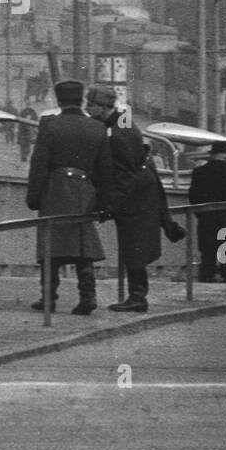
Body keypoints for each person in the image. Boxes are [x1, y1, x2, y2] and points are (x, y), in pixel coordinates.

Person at [87, 86, 185, 313]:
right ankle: (136, 296)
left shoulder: (118, 134)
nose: (87, 109)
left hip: (137, 197)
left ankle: (138, 298)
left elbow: (124, 177)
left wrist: (110, 206)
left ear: (103, 107)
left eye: (90, 106)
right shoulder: (121, 123)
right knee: (135, 245)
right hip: (143, 191)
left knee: (135, 246)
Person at [25, 79, 112, 315]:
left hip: (55, 188)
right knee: (83, 246)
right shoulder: (97, 128)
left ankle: (48, 298)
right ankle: (88, 295)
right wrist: (104, 203)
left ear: (58, 100)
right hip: (84, 191)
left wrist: (34, 196)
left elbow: (39, 164)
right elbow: (105, 169)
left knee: (51, 245)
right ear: (82, 99)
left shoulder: (50, 125)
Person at [188, 140, 226, 283]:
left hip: (207, 218)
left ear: (212, 154)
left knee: (207, 250)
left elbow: (193, 195)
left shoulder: (199, 172)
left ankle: (206, 276)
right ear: (225, 155)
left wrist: (200, 213)